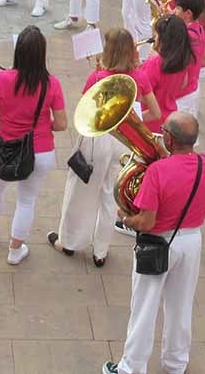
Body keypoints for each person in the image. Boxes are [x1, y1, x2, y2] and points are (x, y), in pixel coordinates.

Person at [102, 111, 205, 374]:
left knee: (144, 307)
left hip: (158, 243)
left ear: (169, 138)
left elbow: (145, 222)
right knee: (180, 304)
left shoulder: (157, 172)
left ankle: (130, 367)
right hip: (192, 241)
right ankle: (176, 364)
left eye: (163, 130)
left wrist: (124, 218)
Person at [51, 27, 161, 265]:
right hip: (126, 141)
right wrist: (133, 120)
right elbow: (156, 111)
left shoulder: (98, 78)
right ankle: (100, 251)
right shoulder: (140, 77)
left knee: (80, 192)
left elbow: (84, 111)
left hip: (98, 139)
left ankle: (69, 242)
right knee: (112, 196)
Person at [0, 26, 67, 265]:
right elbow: (62, 124)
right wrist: (44, 125)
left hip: (4, 147)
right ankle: (15, 249)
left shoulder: (1, 78)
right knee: (27, 199)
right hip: (40, 151)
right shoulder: (52, 84)